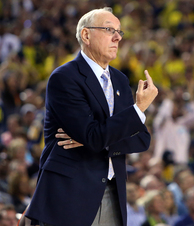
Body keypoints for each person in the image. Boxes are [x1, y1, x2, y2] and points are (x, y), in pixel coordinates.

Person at [24, 7, 158, 226]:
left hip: (113, 193)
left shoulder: (120, 80)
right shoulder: (64, 78)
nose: (117, 37)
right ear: (86, 35)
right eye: (109, 29)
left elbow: (142, 139)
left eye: (119, 32)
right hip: (70, 193)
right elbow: (94, 136)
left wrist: (97, 139)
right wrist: (137, 110)